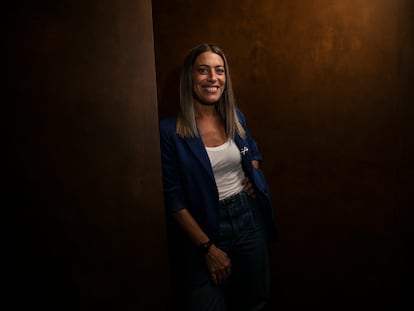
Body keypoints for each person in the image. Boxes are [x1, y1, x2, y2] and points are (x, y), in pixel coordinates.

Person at [159, 43, 277, 311]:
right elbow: (173, 201)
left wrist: (251, 173)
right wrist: (208, 248)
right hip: (203, 229)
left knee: (255, 303)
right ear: (190, 77)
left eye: (219, 70)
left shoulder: (235, 118)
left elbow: (251, 151)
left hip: (249, 220)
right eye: (203, 70)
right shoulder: (169, 132)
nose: (213, 78)